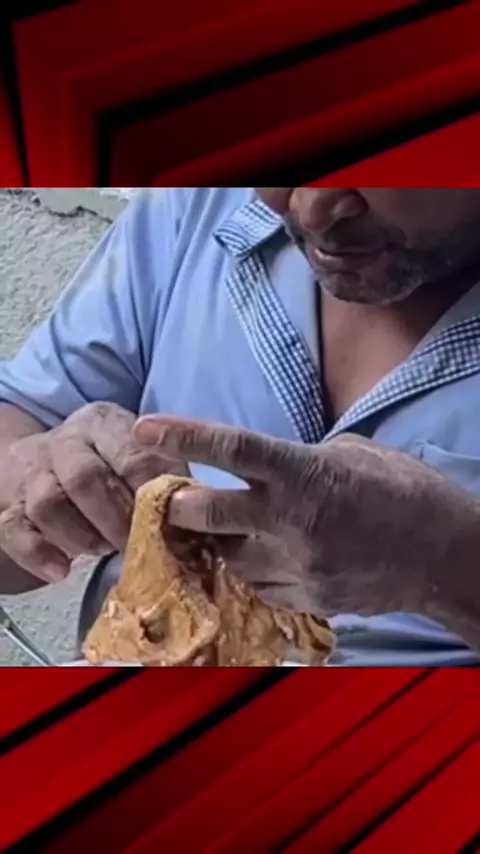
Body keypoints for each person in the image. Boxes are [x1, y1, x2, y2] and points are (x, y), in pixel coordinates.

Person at [0, 187, 480, 666]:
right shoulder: (199, 202)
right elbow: (22, 420)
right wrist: (35, 480)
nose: (312, 211)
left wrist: (446, 559)